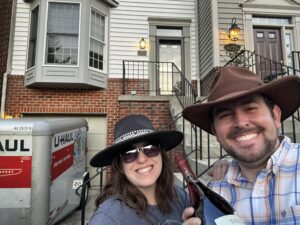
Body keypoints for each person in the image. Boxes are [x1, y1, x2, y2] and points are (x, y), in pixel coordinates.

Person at [182, 65, 300, 224]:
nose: (241, 122)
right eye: (225, 115)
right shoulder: (216, 193)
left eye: (251, 108)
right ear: (215, 132)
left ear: (276, 116)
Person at [88, 114, 201, 225]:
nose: (142, 159)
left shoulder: (181, 197)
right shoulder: (109, 217)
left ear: (161, 153)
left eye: (150, 148)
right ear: (120, 165)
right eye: (129, 154)